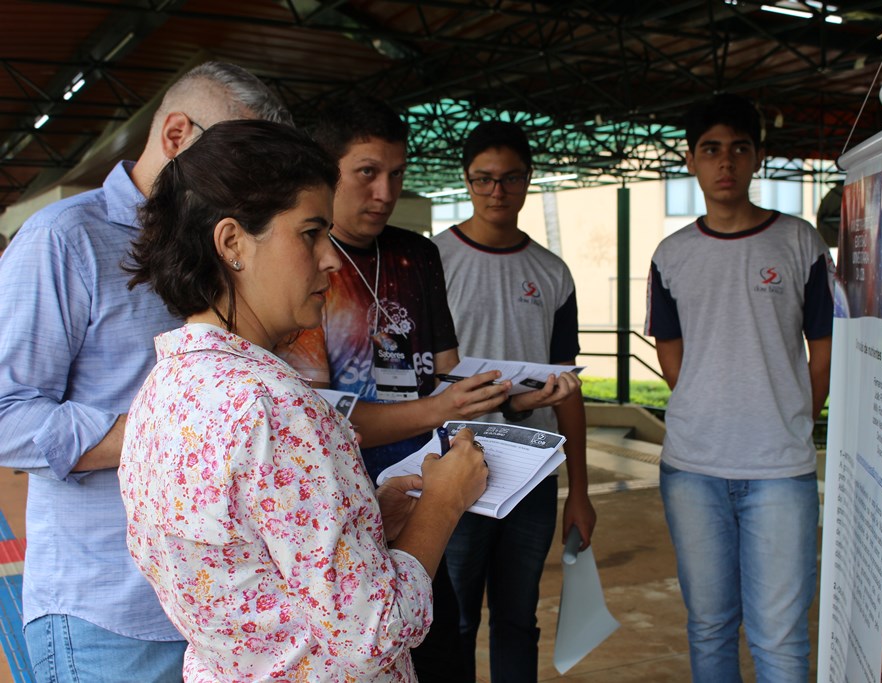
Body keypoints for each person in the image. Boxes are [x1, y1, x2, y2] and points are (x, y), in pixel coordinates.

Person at [119, 118, 489, 682]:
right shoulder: (275, 408)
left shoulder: (165, 389)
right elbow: (373, 629)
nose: (331, 258)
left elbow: (248, 565)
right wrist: (444, 501)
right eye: (311, 233)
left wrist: (364, 521)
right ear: (232, 243)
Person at [0, 61, 291, 682]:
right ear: (177, 134)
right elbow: (7, 417)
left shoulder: (223, 245)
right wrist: (175, 434)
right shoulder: (64, 239)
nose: (249, 188)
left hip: (227, 612)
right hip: (112, 614)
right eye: (237, 163)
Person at [276, 96, 582, 681]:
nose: (385, 193)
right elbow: (319, 420)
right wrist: (440, 408)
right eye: (367, 172)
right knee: (376, 643)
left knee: (440, 642)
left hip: (422, 483)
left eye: (397, 174)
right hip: (344, 499)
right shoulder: (307, 262)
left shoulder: (417, 254)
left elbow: (448, 376)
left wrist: (515, 399)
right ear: (326, 170)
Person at [644, 93, 833, 682]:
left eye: (738, 149)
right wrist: (709, 403)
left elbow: (824, 350)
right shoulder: (672, 255)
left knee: (779, 638)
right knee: (710, 626)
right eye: (710, 150)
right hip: (692, 469)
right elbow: (671, 353)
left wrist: (793, 414)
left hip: (780, 470)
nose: (725, 162)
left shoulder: (799, 242)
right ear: (691, 161)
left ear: (758, 158)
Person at [433, 120, 597, 683]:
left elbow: (567, 388)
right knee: (453, 621)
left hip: (533, 472)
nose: (496, 191)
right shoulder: (436, 260)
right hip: (456, 463)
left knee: (518, 620)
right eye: (483, 179)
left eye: (510, 178)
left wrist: (580, 491)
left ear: (528, 180)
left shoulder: (551, 272)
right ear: (466, 180)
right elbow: (425, 376)